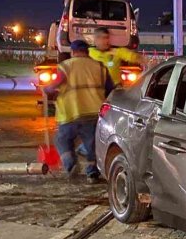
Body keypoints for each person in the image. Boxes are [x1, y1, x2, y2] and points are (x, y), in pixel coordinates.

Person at [44, 39, 113, 181]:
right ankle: (92, 173)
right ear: (87, 52)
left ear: (73, 52)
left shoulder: (65, 66)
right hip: (93, 113)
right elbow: (110, 89)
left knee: (62, 139)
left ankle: (70, 164)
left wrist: (47, 89)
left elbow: (56, 83)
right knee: (92, 144)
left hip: (70, 113)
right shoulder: (100, 67)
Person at [88, 26, 141, 92]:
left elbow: (134, 57)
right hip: (96, 89)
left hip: (114, 89)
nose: (107, 41)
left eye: (108, 38)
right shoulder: (89, 53)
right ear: (96, 39)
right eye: (104, 38)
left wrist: (147, 62)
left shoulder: (116, 52)